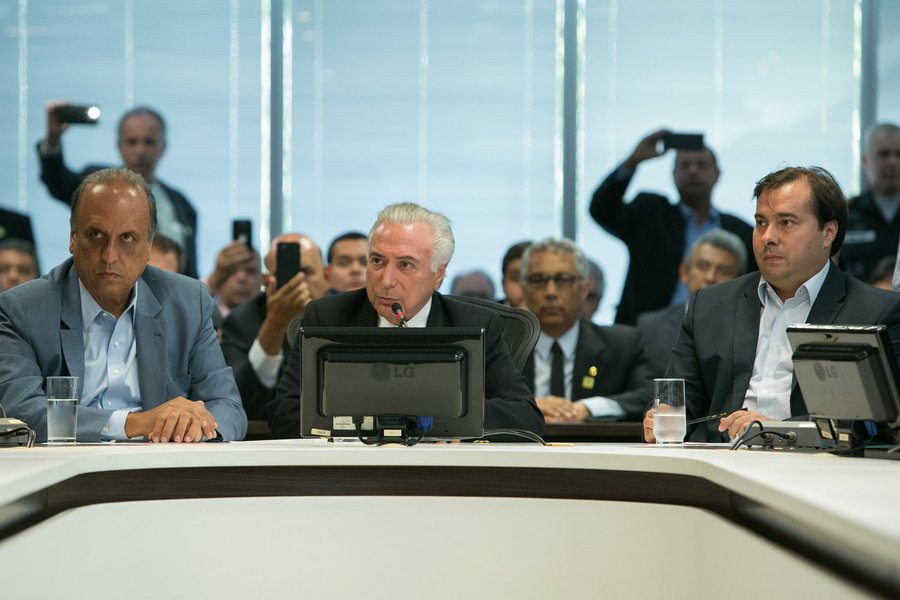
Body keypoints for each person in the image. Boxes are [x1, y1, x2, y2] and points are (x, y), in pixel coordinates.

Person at [643, 166, 900, 443]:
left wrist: (780, 429)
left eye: (786, 223)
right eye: (761, 222)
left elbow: (880, 424)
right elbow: (682, 397)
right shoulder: (710, 305)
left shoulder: (877, 313)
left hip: (816, 471)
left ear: (828, 232)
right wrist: (663, 415)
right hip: (718, 467)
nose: (768, 237)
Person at [0, 168, 246, 442]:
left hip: (163, 469)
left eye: (127, 238)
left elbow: (229, 409)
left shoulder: (188, 301)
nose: (109, 255)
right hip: (69, 474)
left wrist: (193, 425)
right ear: (72, 238)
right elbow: (20, 414)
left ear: (149, 246)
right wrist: (137, 423)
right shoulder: (22, 309)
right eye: (95, 235)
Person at [268, 202, 544, 438]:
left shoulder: (475, 325)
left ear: (438, 274)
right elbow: (284, 415)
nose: (386, 281)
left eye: (405, 265)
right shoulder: (327, 318)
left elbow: (525, 417)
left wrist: (432, 413)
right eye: (377, 261)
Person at [588, 129, 755, 325]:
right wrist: (632, 162)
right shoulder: (649, 214)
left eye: (701, 165)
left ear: (717, 174)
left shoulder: (741, 232)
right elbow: (602, 210)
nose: (693, 171)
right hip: (645, 333)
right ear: (673, 174)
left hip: (719, 330)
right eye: (685, 165)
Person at [36, 102, 199, 278]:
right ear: (119, 146)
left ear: (163, 147)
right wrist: (53, 139)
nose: (141, 150)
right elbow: (58, 181)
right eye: (132, 141)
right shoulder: (98, 186)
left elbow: (190, 269)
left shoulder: (181, 204)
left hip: (168, 296)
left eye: (149, 142)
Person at [521, 238, 653, 422]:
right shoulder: (501, 345)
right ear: (524, 289)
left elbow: (650, 396)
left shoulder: (622, 344)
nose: (550, 291)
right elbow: (477, 401)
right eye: (539, 280)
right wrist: (527, 405)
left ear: (584, 289)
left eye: (563, 279)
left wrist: (587, 408)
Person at [220, 233, 330, 420]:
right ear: (266, 281)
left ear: (326, 276)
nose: (298, 283)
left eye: (306, 272)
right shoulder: (242, 320)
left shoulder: (345, 312)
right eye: (287, 274)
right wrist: (274, 325)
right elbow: (236, 401)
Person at [636, 229, 745, 376]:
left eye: (723, 270)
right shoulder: (650, 327)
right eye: (703, 266)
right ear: (684, 272)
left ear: (740, 281)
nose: (710, 277)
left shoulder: (750, 331)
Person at [840, 123, 900, 282]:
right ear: (865, 161)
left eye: (898, 154)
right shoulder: (845, 215)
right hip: (860, 306)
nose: (893, 162)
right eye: (884, 154)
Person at [205, 241, 262, 330]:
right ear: (219, 276)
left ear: (262, 278)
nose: (241, 278)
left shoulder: (271, 324)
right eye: (232, 269)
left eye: (250, 270)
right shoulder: (203, 319)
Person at [499, 241, 530, 308]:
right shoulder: (486, 317)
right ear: (503, 284)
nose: (524, 287)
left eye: (535, 279)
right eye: (516, 278)